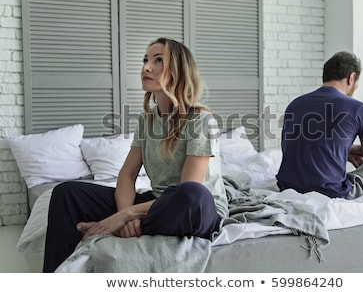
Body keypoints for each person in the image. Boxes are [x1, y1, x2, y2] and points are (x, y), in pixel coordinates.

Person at [43, 37, 228, 272]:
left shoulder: (200, 120)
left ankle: (116, 227)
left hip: (196, 209)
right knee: (66, 193)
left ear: (178, 71)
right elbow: (128, 175)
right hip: (156, 204)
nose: (146, 67)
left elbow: (188, 187)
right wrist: (124, 216)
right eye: (145, 60)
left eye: (158, 60)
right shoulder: (147, 119)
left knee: (192, 194)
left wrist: (127, 215)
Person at [276, 51, 363, 199]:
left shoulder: (295, 104)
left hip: (288, 188)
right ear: (351, 77)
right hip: (330, 193)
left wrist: (345, 149)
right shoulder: (357, 108)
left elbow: (301, 143)